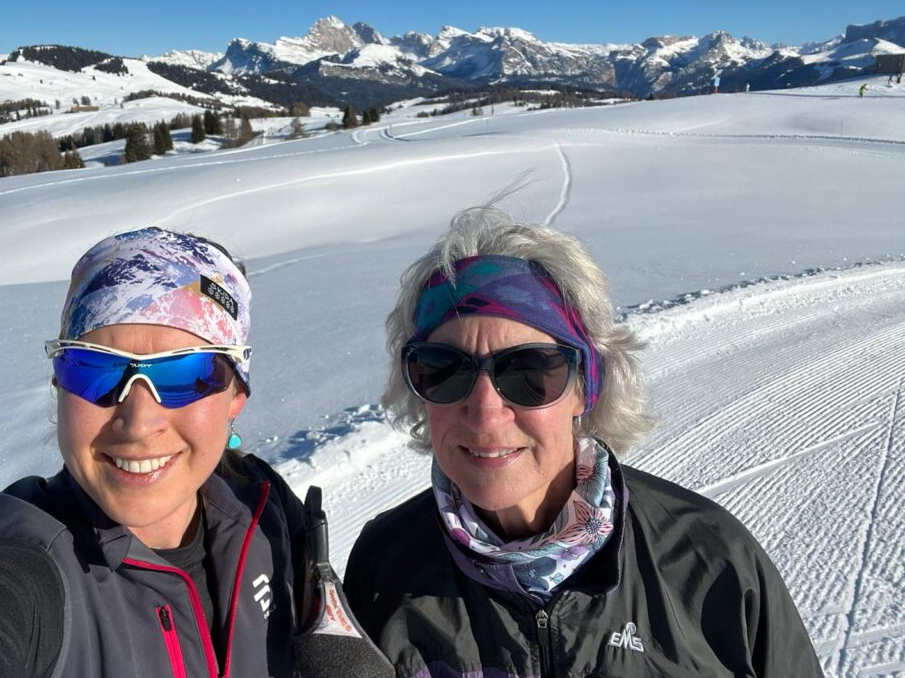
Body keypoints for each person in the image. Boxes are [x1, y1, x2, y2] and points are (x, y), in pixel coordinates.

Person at [344, 206, 824, 677]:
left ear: (586, 386)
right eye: (443, 370)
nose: (485, 411)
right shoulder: (383, 567)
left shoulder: (708, 560)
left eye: (530, 371)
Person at [0, 228, 305, 677]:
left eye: (187, 372)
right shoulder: (25, 571)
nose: (139, 422)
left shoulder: (263, 504)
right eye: (94, 368)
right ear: (59, 383)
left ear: (236, 393)